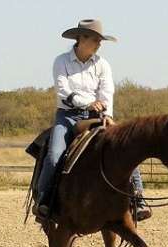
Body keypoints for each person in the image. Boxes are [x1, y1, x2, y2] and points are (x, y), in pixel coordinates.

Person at [36, 19, 151, 221]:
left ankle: (138, 200)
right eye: (95, 39)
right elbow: (63, 91)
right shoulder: (61, 61)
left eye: (100, 40)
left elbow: (107, 92)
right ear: (81, 39)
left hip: (97, 116)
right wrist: (88, 102)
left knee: (124, 148)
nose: (99, 44)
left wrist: (106, 115)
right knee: (54, 156)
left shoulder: (102, 64)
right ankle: (44, 201)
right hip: (67, 117)